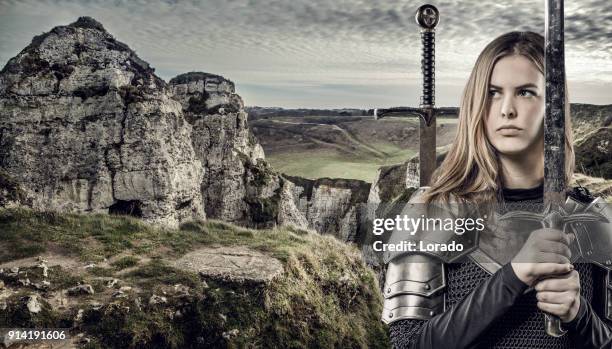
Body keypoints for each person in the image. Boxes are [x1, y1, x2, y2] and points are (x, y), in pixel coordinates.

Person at [381, 31, 612, 348]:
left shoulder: (592, 220)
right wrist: (513, 276)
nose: (507, 109)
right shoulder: (433, 212)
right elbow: (408, 345)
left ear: (554, 106)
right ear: (477, 103)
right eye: (492, 93)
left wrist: (580, 315)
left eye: (526, 92)